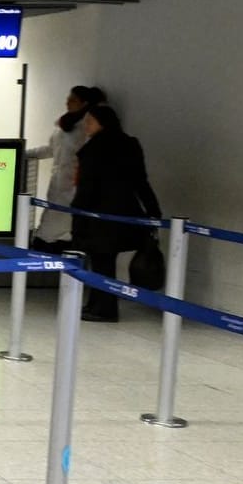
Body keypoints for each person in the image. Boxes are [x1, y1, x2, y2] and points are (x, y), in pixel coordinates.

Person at [71, 104, 161, 322]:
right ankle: (97, 304)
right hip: (125, 212)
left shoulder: (94, 149)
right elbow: (141, 181)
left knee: (101, 261)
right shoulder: (129, 144)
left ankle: (104, 308)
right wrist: (153, 211)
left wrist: (77, 214)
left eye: (90, 121)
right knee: (104, 260)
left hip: (98, 214)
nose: (86, 125)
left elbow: (87, 187)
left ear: (103, 123)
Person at [29, 86, 103, 253]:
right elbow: (51, 149)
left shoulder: (86, 128)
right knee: (52, 230)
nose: (67, 103)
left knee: (55, 233)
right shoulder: (64, 125)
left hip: (74, 189)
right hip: (58, 187)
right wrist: (23, 153)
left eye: (73, 100)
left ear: (84, 103)